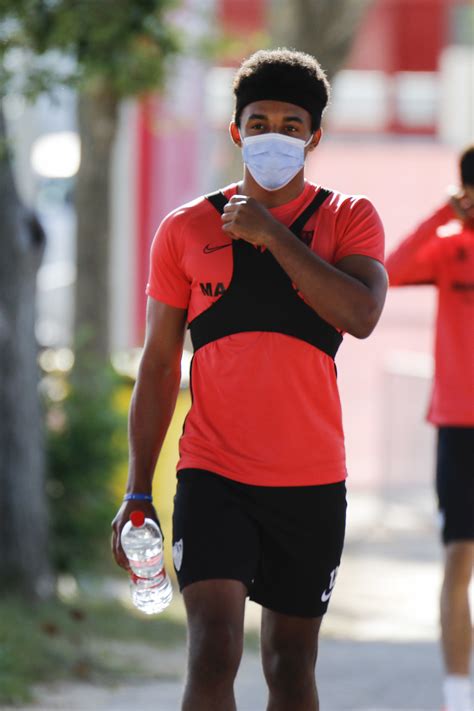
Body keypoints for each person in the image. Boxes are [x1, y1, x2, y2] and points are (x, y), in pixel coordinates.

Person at [112, 48, 387, 711]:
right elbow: (157, 365)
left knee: (290, 665)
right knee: (211, 647)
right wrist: (137, 488)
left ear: (314, 136)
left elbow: (361, 313)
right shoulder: (184, 229)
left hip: (311, 478)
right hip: (214, 474)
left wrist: (269, 234)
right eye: (258, 122)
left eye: (291, 125)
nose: (274, 136)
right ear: (235, 130)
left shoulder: (349, 218)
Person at [385, 146, 474, 711]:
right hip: (458, 425)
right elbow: (391, 269)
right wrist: (443, 215)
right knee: (458, 559)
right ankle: (458, 695)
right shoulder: (450, 248)